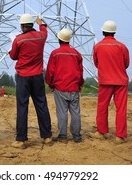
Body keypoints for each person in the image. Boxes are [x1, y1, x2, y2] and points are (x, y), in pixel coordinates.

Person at [9, 13, 52, 149]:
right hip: (38, 76)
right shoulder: (41, 36)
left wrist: (11, 51)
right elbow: (45, 30)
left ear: (22, 26)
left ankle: (21, 139)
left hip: (23, 77)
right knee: (41, 104)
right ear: (31, 24)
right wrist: (40, 22)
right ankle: (47, 136)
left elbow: (13, 56)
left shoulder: (18, 40)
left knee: (22, 106)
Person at [92, 20, 130, 144]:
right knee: (121, 109)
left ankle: (101, 132)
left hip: (105, 81)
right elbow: (126, 64)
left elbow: (96, 63)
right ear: (114, 32)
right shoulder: (122, 46)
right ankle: (120, 136)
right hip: (120, 81)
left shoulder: (97, 47)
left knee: (102, 107)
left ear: (103, 31)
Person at [45, 28, 84, 143]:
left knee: (62, 112)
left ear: (59, 39)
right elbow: (80, 72)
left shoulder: (55, 53)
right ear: (69, 40)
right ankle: (76, 136)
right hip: (74, 88)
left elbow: (50, 71)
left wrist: (50, 84)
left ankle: (63, 135)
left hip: (60, 87)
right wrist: (80, 84)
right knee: (75, 112)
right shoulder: (77, 54)